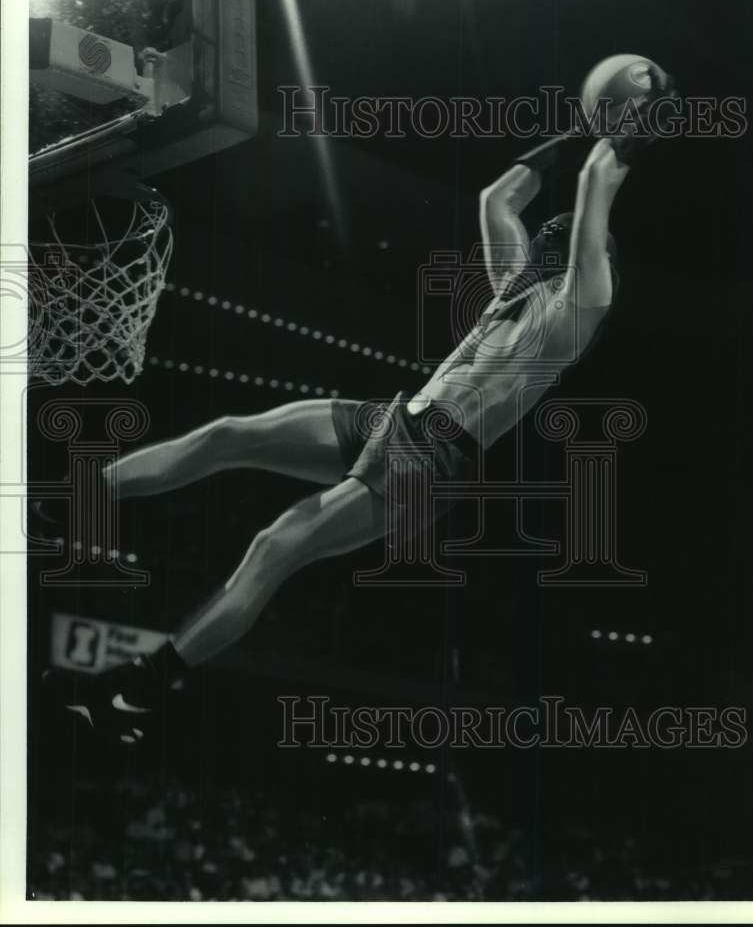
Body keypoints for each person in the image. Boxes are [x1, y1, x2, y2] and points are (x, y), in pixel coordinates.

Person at [42, 131, 641, 739]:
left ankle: (136, 691)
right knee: (228, 434)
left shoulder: (577, 310)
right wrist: (566, 140)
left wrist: (625, 128)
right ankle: (62, 503)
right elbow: (497, 198)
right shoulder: (515, 291)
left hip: (431, 460)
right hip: (395, 419)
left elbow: (596, 186)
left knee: (276, 547)